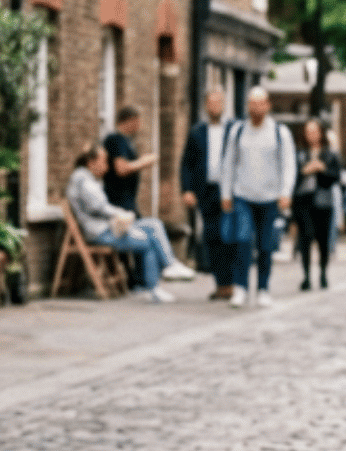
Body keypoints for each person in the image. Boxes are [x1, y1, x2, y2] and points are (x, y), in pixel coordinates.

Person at [68, 146, 194, 302]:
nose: (107, 166)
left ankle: (170, 264)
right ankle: (153, 288)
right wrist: (121, 213)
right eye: (103, 161)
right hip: (101, 232)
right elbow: (98, 206)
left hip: (109, 227)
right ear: (91, 162)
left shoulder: (88, 179)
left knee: (153, 224)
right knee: (147, 242)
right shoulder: (82, 179)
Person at [218, 87, 297, 309]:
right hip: (243, 195)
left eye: (260, 104)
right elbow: (228, 163)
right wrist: (226, 193)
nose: (255, 109)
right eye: (252, 104)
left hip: (269, 197)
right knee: (242, 240)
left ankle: (263, 288)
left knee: (265, 244)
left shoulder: (280, 133)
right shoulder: (238, 131)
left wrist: (285, 192)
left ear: (267, 106)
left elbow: (288, 164)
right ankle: (240, 287)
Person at [180, 88, 237, 300]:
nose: (215, 106)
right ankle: (221, 284)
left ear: (224, 104)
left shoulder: (234, 130)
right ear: (206, 106)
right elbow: (187, 163)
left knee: (229, 236)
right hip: (207, 191)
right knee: (211, 237)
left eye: (219, 102)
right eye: (211, 103)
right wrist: (187, 189)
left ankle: (231, 282)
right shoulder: (197, 132)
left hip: (228, 191)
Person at [294, 118, 342, 291]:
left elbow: (336, 177)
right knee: (305, 237)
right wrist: (304, 171)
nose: (312, 135)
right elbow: (292, 177)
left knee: (323, 239)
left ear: (321, 133)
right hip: (303, 201)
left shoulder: (330, 154)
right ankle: (306, 276)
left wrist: (322, 169)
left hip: (323, 201)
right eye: (308, 132)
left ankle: (323, 273)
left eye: (315, 131)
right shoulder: (299, 154)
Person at [102, 105, 157, 214]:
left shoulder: (126, 141)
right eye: (138, 121)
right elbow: (121, 169)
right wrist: (144, 162)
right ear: (130, 120)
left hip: (127, 198)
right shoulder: (116, 139)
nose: (140, 125)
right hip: (119, 199)